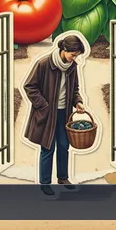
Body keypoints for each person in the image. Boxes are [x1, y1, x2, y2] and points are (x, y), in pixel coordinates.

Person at [23, 35, 87, 199]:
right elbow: (29, 86)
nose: (75, 58)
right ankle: (45, 183)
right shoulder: (44, 64)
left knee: (64, 146)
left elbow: (75, 89)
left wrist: (77, 101)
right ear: (64, 50)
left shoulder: (72, 67)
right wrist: (43, 105)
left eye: (77, 55)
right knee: (47, 147)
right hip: (47, 114)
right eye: (73, 54)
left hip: (64, 113)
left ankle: (63, 177)